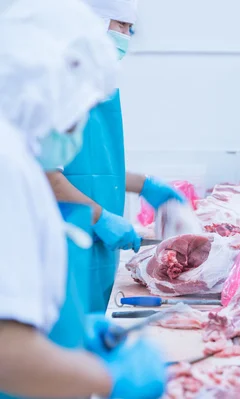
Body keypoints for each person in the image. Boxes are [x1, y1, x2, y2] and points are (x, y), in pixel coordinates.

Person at [0, 1, 165, 398]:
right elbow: (7, 353)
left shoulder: (15, 155)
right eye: (82, 108)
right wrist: (109, 380)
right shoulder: (9, 167)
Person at [43, 0, 185, 312]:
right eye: (121, 26)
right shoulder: (52, 83)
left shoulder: (93, 84)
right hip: (68, 241)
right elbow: (47, 175)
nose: (126, 36)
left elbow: (91, 167)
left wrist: (145, 184)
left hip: (94, 244)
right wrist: (101, 217)